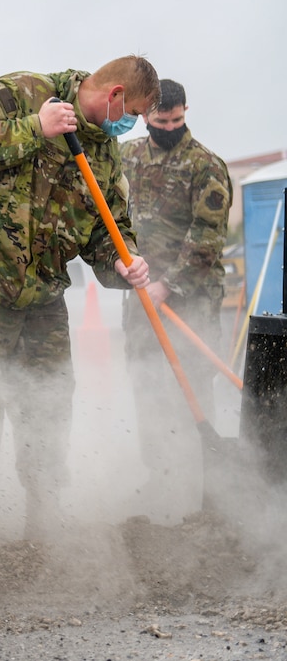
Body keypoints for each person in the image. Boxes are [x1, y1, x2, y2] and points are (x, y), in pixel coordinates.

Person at [0, 55, 160, 539]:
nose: (130, 124)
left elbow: (108, 231)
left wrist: (122, 262)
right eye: (132, 111)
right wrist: (36, 127)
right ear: (114, 95)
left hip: (41, 290)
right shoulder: (25, 93)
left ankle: (44, 525)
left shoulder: (105, 156)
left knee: (49, 399)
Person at [120, 79, 232, 519]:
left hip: (190, 301)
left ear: (186, 112)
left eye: (178, 119)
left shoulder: (205, 165)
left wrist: (170, 284)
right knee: (147, 386)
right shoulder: (126, 158)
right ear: (145, 116)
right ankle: (160, 478)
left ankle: (200, 487)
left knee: (191, 386)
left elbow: (207, 238)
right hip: (142, 299)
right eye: (161, 120)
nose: (171, 127)